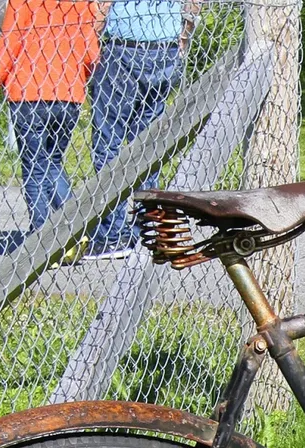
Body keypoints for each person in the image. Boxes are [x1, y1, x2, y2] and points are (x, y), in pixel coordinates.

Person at [0, 0, 102, 236]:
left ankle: (40, 239)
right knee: (52, 161)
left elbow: (9, 44)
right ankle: (73, 231)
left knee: (34, 167)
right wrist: (78, 78)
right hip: (68, 94)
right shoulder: (82, 3)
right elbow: (91, 52)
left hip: (28, 93)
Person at [82, 0, 196, 259]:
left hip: (123, 49)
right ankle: (148, 224)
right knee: (148, 142)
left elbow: (101, 6)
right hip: (165, 47)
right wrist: (183, 35)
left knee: (108, 141)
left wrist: (91, 42)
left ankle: (112, 235)